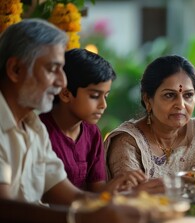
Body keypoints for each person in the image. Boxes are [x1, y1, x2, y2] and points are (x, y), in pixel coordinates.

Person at [0, 19, 146, 223]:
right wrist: (79, 220)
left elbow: (70, 195)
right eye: (52, 69)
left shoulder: (33, 127)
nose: (61, 82)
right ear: (15, 69)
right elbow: (4, 209)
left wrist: (133, 204)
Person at [105, 55, 195, 182]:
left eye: (188, 95)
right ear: (148, 99)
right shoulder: (128, 142)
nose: (181, 105)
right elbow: (132, 197)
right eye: (169, 95)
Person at [39, 48, 145, 192]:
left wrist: (121, 186)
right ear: (65, 93)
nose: (103, 105)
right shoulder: (39, 131)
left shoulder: (91, 132)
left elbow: (96, 190)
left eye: (106, 96)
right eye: (95, 96)